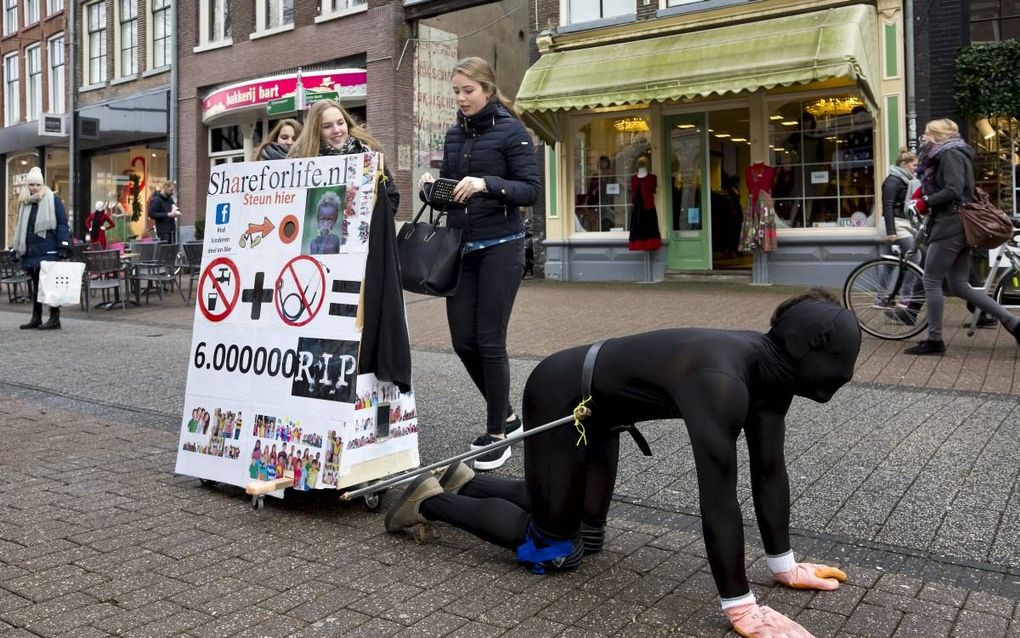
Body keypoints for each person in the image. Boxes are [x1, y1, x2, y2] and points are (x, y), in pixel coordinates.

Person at [386, 289, 861, 638]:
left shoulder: (772, 376)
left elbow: (770, 471)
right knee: (556, 548)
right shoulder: (722, 379)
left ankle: (466, 481)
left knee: (588, 537)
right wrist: (741, 608)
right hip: (563, 394)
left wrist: (784, 566)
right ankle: (430, 502)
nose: (849, 370)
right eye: (842, 357)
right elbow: (718, 496)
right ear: (808, 349)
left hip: (604, 411)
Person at [417, 57, 541, 471]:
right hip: (463, 248)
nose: (461, 98)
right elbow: (452, 195)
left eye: (468, 90)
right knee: (462, 341)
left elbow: (530, 191)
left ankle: (497, 436)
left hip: (502, 246)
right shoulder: (455, 135)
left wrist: (489, 184)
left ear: (487, 89)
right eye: (456, 91)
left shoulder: (513, 132)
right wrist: (432, 190)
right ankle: (505, 413)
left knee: (489, 339)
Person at [904, 119, 1020, 355]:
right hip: (958, 225)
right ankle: (1014, 324)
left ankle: (935, 340)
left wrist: (924, 202)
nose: (923, 138)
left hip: (950, 225)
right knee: (959, 285)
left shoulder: (950, 154)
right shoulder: (952, 152)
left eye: (926, 133)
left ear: (938, 136)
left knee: (931, 281)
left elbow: (954, 189)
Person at [287, 99, 399, 214]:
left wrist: (373, 224)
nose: (336, 130)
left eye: (340, 123)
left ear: (347, 122)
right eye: (327, 126)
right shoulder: (300, 164)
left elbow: (391, 196)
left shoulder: (368, 153)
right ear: (316, 131)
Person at [13, 167, 70, 330]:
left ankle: (54, 318)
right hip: (31, 249)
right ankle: (36, 317)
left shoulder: (53, 199)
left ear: (42, 184)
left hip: (49, 248)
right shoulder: (24, 203)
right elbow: (20, 227)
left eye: (38, 184)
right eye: (31, 184)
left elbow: (62, 224)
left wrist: (63, 246)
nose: (35, 188)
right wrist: (15, 249)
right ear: (27, 185)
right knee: (36, 284)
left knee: (50, 284)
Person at [148, 179, 180, 243]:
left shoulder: (170, 200)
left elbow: (172, 211)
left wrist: (175, 212)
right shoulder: (156, 200)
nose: (172, 192)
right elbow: (151, 214)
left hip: (172, 231)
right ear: (166, 188)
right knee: (165, 251)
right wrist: (168, 214)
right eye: (171, 190)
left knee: (172, 250)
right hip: (163, 232)